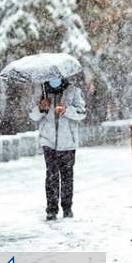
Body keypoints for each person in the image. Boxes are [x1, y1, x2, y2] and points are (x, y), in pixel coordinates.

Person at [29, 78, 86, 221]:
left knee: (67, 176)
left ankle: (67, 208)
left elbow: (81, 113)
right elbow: (33, 114)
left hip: (68, 142)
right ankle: (51, 209)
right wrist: (42, 108)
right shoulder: (41, 91)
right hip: (48, 141)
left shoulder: (73, 91)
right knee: (52, 176)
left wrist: (67, 110)